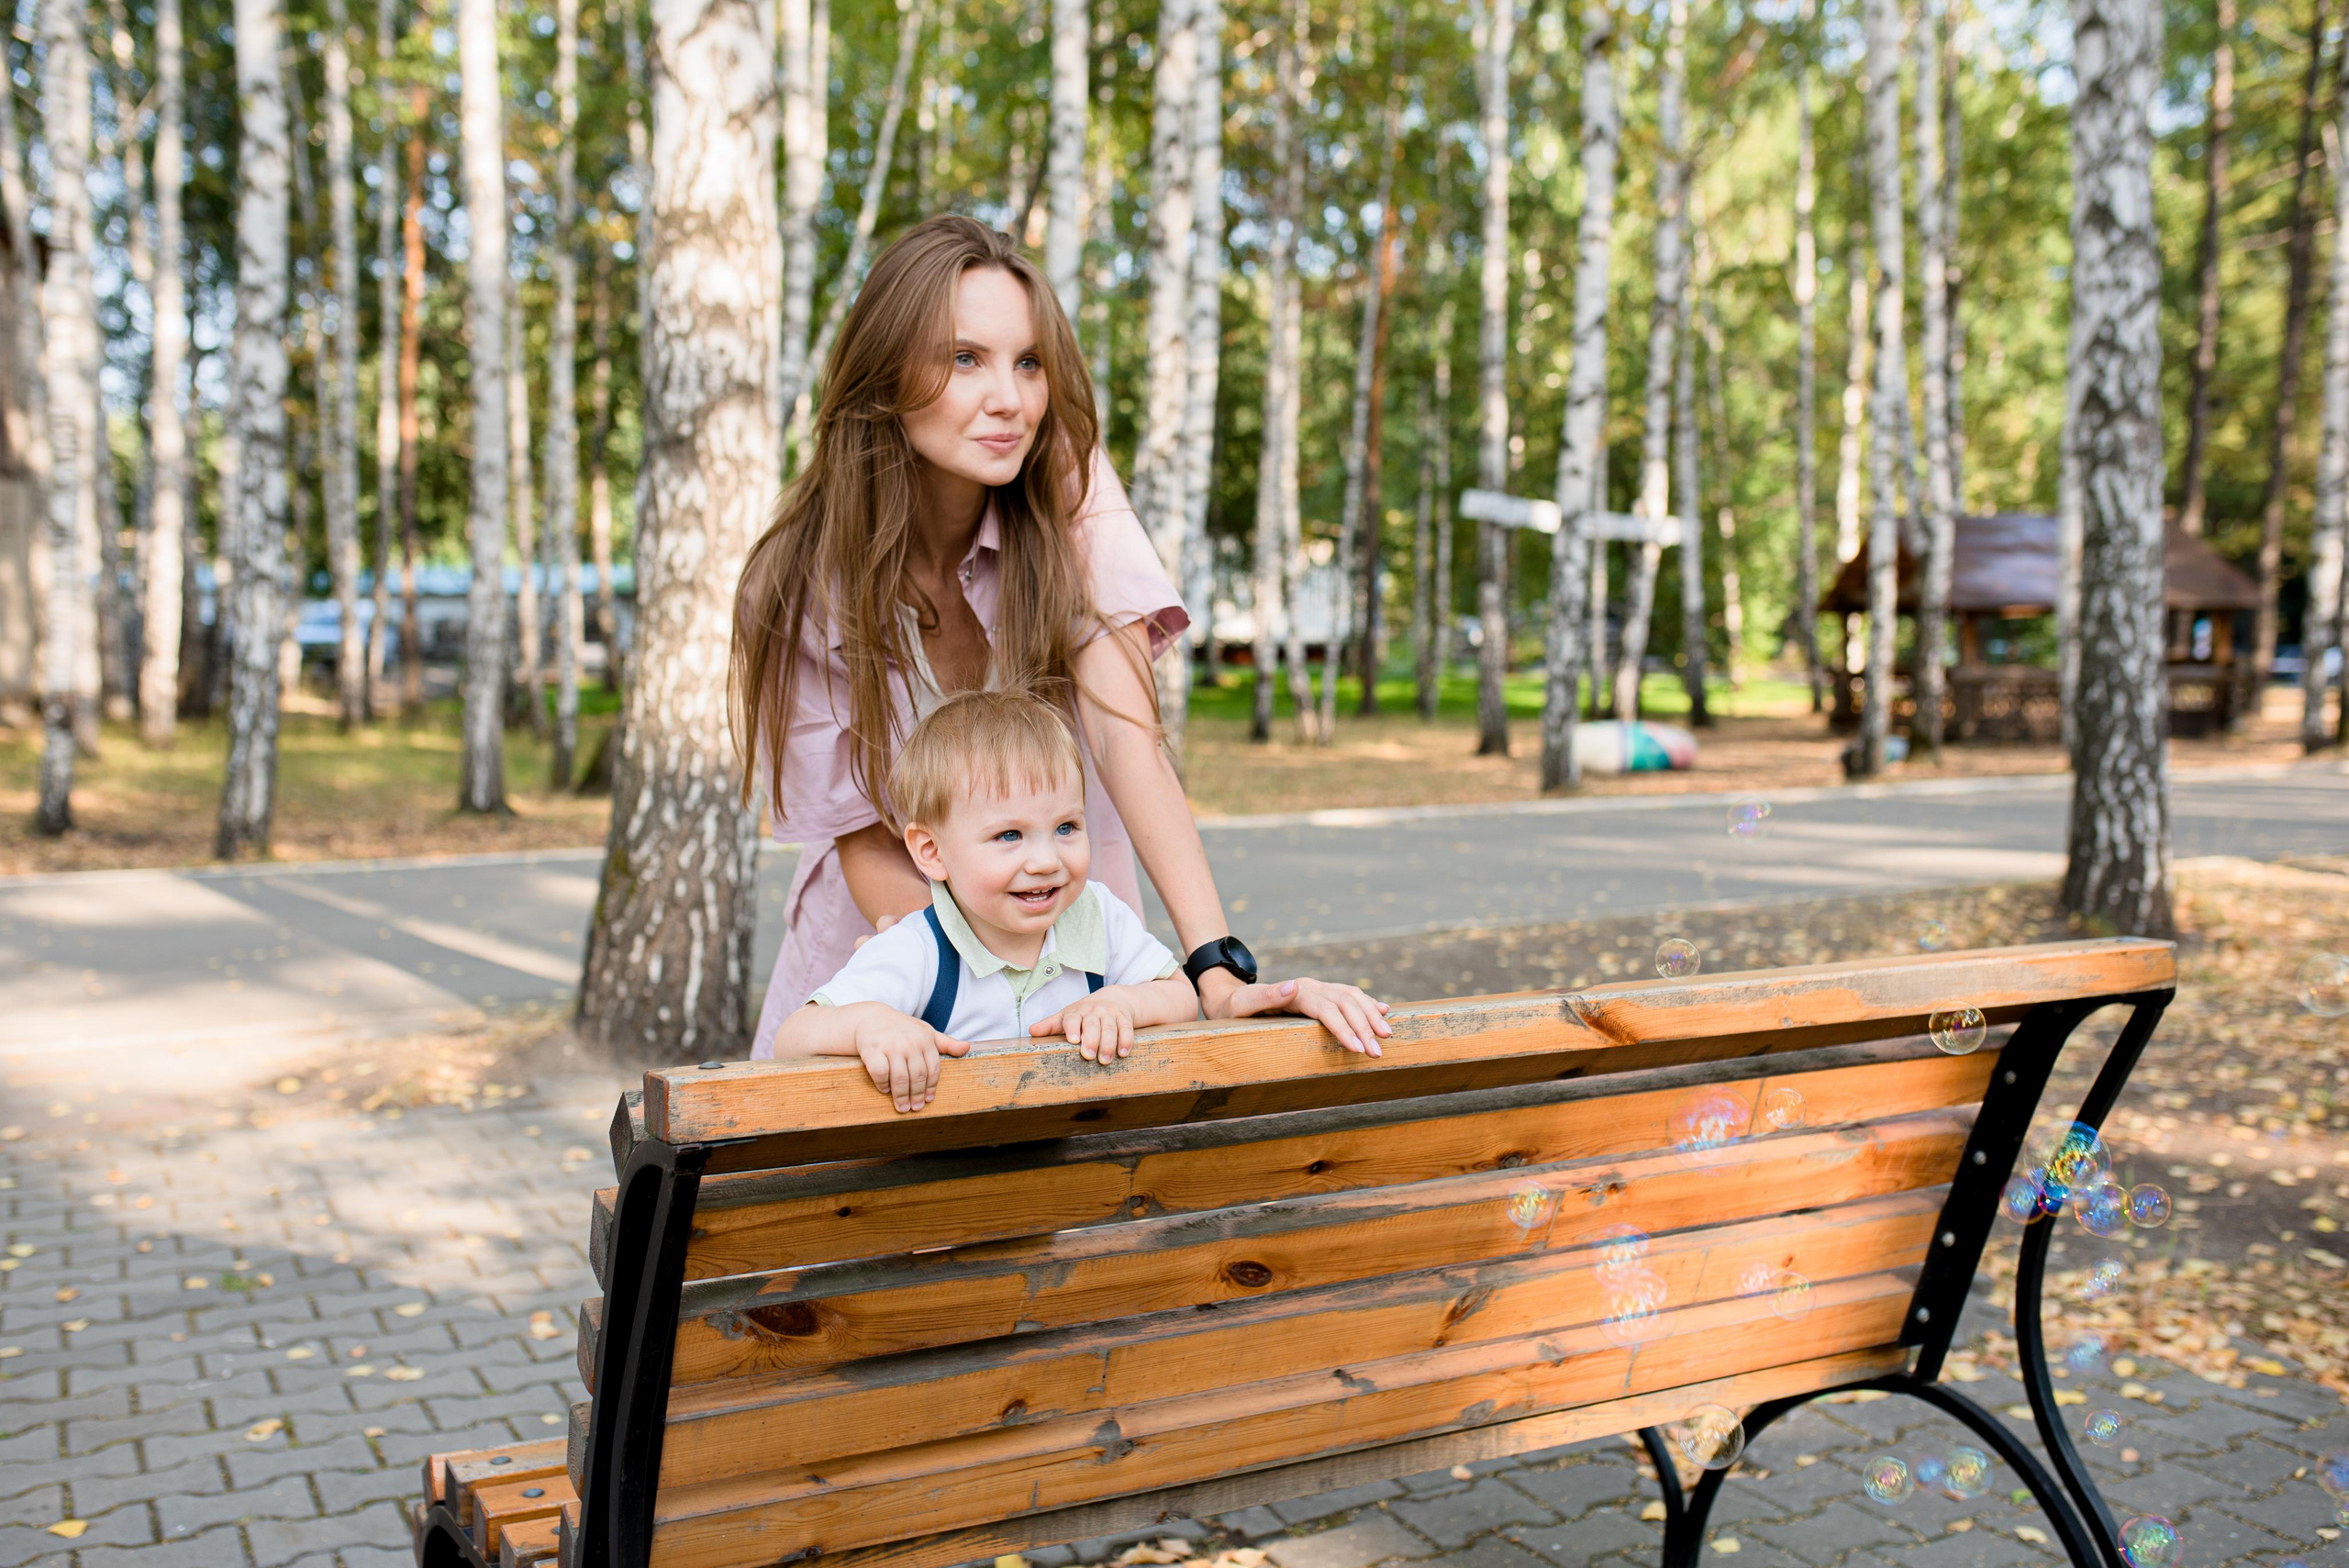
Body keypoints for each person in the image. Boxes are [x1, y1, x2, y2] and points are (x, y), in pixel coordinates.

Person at [731, 215, 1391, 1060]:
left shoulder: (1063, 487)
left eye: (1029, 361)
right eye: (966, 358)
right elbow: (860, 831)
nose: (1011, 398)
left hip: (1078, 965)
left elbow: (1127, 739)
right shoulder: (796, 583)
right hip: (891, 970)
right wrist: (959, 989)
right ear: (887, 374)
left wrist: (1212, 968)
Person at [772, 689, 1198, 1111]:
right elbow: (792, 1037)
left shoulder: (1096, 915)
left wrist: (1122, 1002)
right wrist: (868, 1024)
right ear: (932, 852)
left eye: (1066, 827)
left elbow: (1181, 996)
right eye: (1009, 835)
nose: (1046, 861)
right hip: (948, 1164)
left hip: (1078, 1157)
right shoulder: (918, 948)